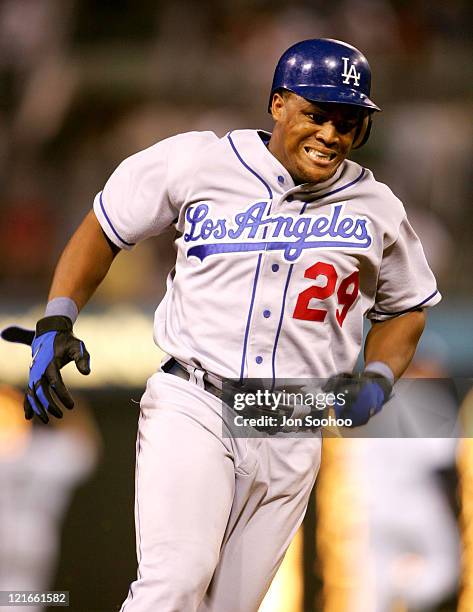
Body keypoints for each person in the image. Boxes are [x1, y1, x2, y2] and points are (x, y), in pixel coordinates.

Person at [1, 38, 440, 611]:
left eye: (348, 121)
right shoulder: (199, 160)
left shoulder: (377, 206)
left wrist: (379, 376)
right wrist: (58, 317)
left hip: (291, 420)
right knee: (175, 582)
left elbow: (407, 306)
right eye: (316, 114)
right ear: (278, 103)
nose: (331, 135)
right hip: (196, 398)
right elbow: (105, 226)